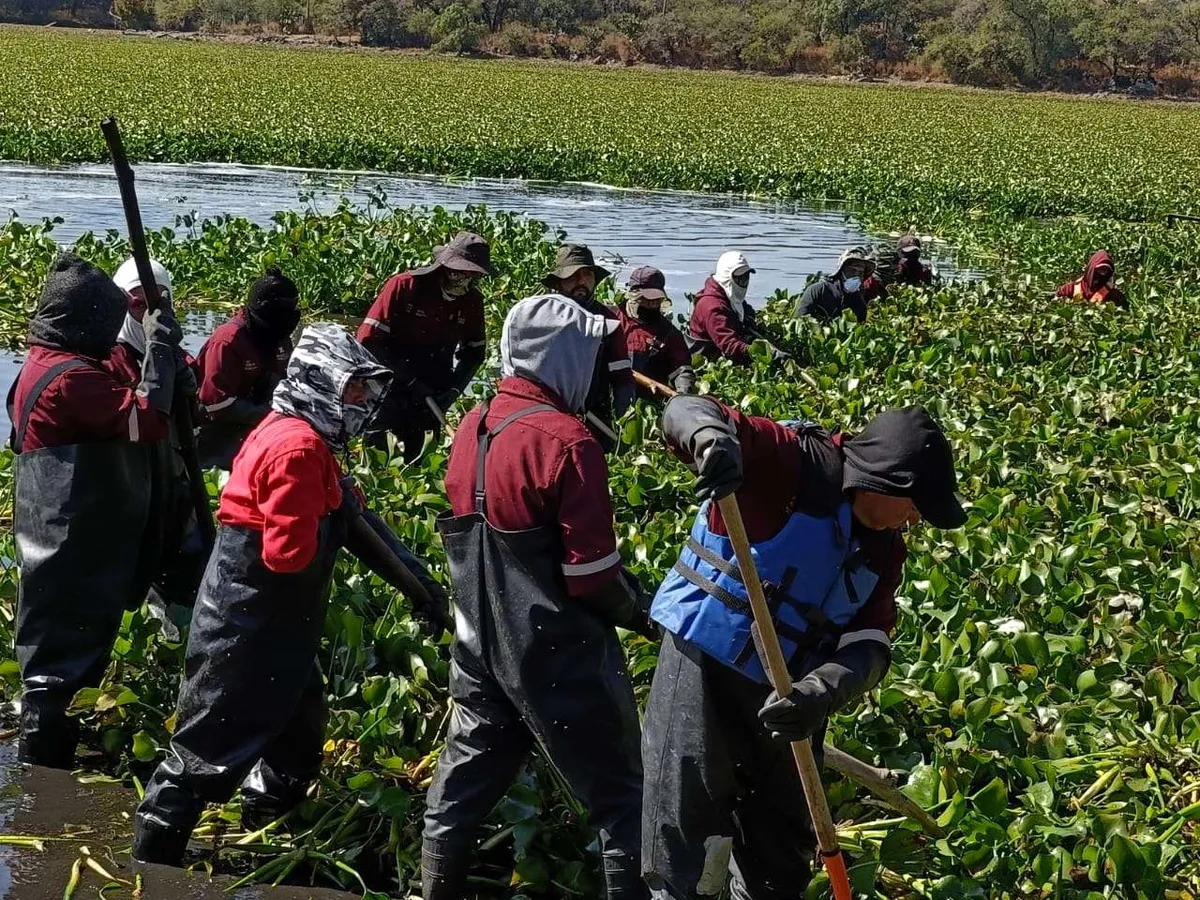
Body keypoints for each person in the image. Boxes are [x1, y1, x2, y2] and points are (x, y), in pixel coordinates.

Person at [133, 324, 448, 865]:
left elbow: (350, 518)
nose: (361, 403)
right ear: (320, 383)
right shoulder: (296, 448)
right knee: (206, 747)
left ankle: (268, 810)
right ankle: (153, 860)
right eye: (352, 389)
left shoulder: (297, 434)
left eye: (363, 391)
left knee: (298, 726)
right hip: (248, 620)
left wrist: (418, 583)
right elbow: (286, 556)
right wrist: (327, 511)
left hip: (281, 623)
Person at [641, 395, 967, 899]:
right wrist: (709, 439)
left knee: (782, 852)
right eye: (914, 505)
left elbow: (871, 644)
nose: (914, 519)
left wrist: (821, 691)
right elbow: (686, 408)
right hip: (706, 675)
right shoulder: (791, 462)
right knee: (688, 843)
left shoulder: (884, 551)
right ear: (886, 481)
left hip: (791, 701)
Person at [422, 294, 654, 900]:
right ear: (563, 358)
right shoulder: (568, 442)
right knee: (621, 799)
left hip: (477, 645)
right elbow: (592, 577)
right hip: (554, 656)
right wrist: (647, 614)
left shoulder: (472, 426)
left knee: (460, 792)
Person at [6, 253, 182, 769]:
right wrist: (161, 351)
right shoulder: (71, 379)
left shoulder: (42, 361)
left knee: (57, 652)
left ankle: (44, 763)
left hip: (58, 533)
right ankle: (42, 771)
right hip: (67, 538)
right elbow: (147, 421)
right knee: (57, 665)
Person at [109, 257, 206, 637]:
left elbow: (193, 419)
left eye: (160, 303)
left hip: (176, 484)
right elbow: (138, 422)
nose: (151, 313)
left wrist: (188, 389)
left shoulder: (176, 353)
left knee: (188, 573)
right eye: (139, 303)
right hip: (135, 491)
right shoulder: (111, 359)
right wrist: (158, 356)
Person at [357, 233, 492, 462]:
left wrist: (453, 391)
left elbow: (474, 353)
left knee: (420, 462)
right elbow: (368, 342)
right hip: (387, 389)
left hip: (433, 395)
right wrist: (410, 382)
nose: (465, 281)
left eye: (473, 276)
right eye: (460, 273)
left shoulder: (472, 301)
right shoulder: (404, 286)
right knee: (376, 459)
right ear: (444, 267)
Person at [195, 266, 299, 469]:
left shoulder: (280, 336)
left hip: (262, 425)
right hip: (217, 433)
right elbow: (215, 405)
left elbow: (287, 381)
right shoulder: (227, 341)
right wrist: (269, 415)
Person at [541, 243, 634, 447]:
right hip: (548, 414)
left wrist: (626, 427)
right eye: (573, 276)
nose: (581, 281)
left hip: (595, 417)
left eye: (587, 275)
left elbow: (622, 379)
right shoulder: (541, 317)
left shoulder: (608, 322)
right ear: (558, 282)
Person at [616, 266, 695, 397]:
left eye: (657, 301)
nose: (652, 305)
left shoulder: (669, 333)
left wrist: (683, 393)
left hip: (649, 402)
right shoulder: (611, 319)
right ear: (633, 295)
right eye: (647, 301)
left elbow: (682, 368)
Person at [687, 251, 761, 365]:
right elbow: (729, 345)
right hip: (710, 364)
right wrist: (762, 352)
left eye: (746, 277)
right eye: (739, 278)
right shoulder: (712, 306)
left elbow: (747, 316)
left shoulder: (730, 296)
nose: (744, 282)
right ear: (726, 277)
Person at [794, 247, 877, 323]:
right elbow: (800, 320)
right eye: (852, 271)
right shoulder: (818, 290)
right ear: (841, 271)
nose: (856, 276)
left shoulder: (859, 303)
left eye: (860, 273)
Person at [1056, 250, 1128, 307]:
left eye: (1105, 271)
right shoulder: (1067, 289)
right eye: (1099, 270)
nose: (1102, 274)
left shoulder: (1115, 296)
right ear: (1090, 269)